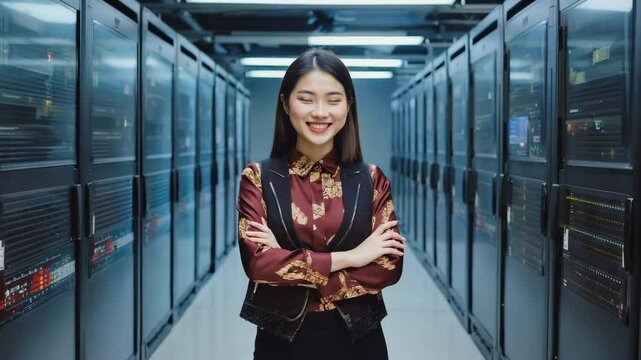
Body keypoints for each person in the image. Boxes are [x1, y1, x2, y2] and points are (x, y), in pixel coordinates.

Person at [236, 48, 405, 360]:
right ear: (286, 103)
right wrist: (354, 256)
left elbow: (388, 268)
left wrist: (288, 264)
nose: (320, 111)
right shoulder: (259, 178)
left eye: (333, 99)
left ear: (348, 106)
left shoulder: (372, 180)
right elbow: (258, 264)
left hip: (360, 340)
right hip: (281, 342)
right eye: (306, 98)